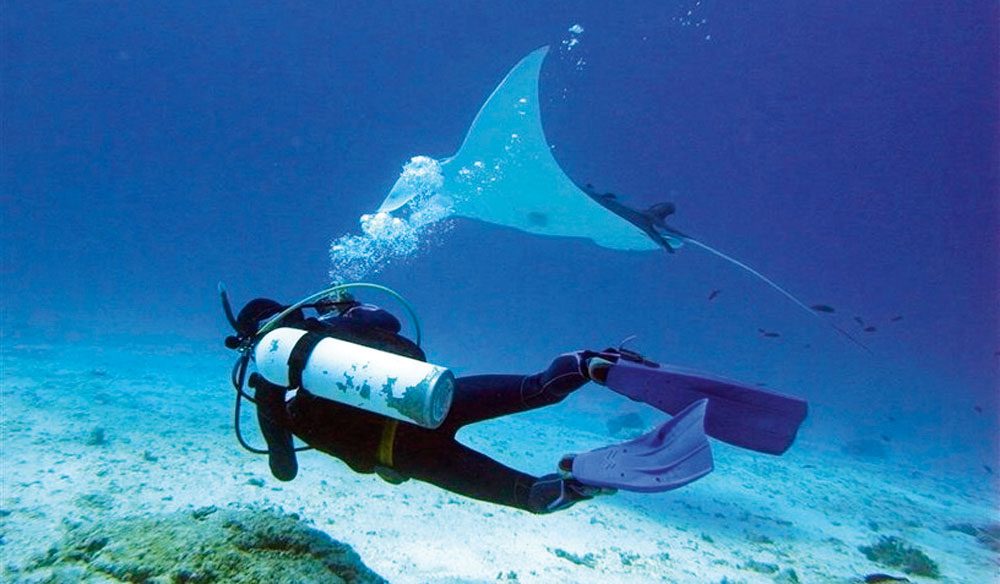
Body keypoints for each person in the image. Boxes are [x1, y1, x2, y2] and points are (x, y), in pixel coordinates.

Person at [223, 288, 808, 515]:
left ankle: (579, 480)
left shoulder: (272, 379)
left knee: (529, 495)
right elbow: (396, 322)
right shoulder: (343, 323)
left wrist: (278, 414)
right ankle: (593, 365)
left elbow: (283, 467)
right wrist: (345, 308)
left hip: (399, 453)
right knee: (537, 386)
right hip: (437, 400)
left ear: (254, 341)